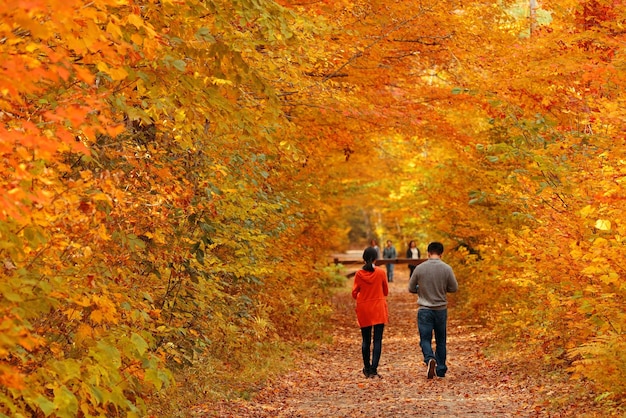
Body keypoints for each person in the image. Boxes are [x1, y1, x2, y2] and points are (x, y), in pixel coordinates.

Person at [408, 242, 458, 379]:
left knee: (425, 339)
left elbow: (411, 288)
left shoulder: (419, 268)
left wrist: (421, 289)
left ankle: (429, 358)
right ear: (441, 253)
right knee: (441, 340)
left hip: (424, 309)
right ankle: (441, 369)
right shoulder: (447, 268)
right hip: (441, 309)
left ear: (428, 253)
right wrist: (442, 289)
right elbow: (454, 288)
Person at [352, 246, 389, 378]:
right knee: (377, 340)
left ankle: (366, 368)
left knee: (365, 340)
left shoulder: (359, 274)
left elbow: (354, 293)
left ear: (363, 258)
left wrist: (362, 296)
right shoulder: (381, 272)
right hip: (378, 308)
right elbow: (386, 291)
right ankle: (374, 369)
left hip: (364, 309)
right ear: (375, 258)